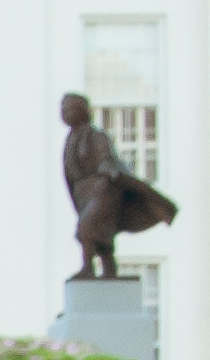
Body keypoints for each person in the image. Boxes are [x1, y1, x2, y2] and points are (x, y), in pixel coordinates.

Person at [60, 91, 180, 280]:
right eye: (64, 109)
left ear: (82, 111)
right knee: (102, 237)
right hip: (85, 194)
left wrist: (106, 172)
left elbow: (107, 160)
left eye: (70, 108)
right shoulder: (70, 139)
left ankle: (88, 268)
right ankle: (109, 269)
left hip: (103, 191)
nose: (66, 112)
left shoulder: (96, 136)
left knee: (86, 229)